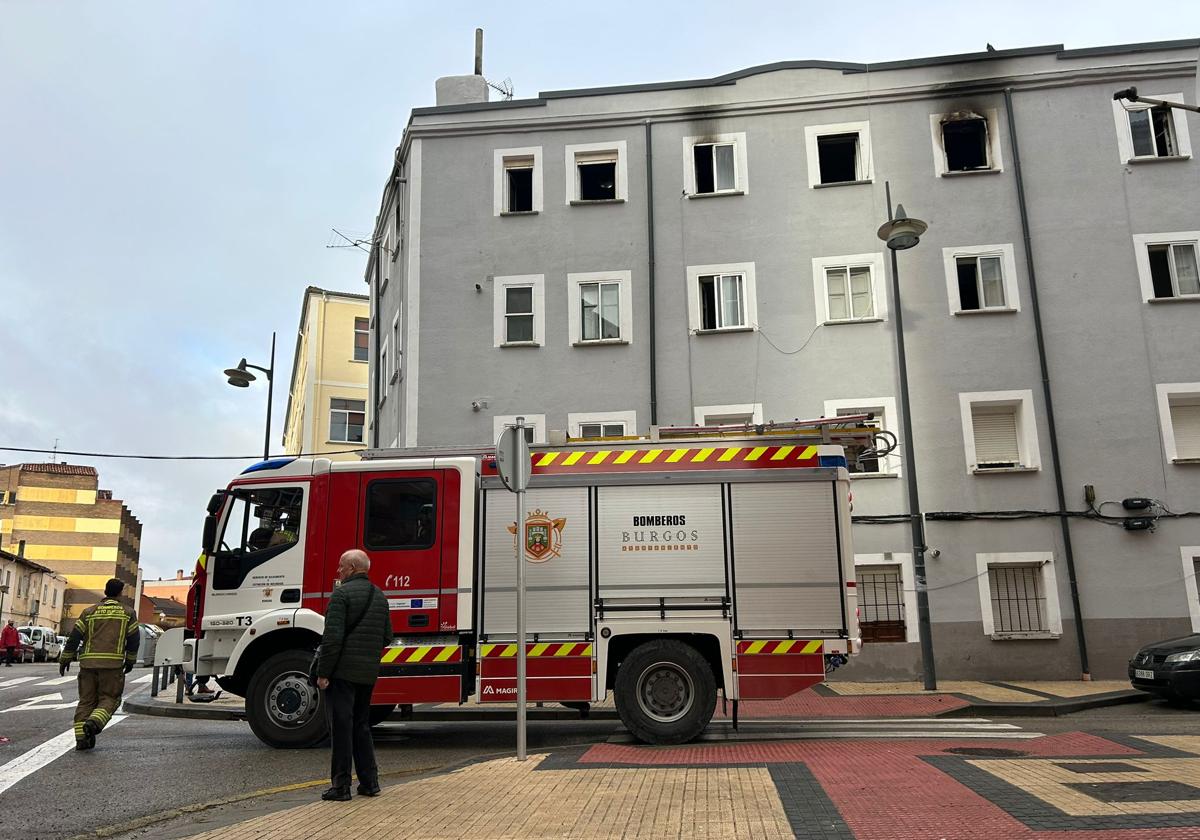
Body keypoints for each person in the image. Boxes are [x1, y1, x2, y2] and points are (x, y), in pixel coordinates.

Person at [315, 549, 392, 801]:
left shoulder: (341, 595)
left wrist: (323, 672)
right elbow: (387, 636)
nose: (338, 571)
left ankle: (341, 786)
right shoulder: (379, 596)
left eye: (340, 566)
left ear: (351, 567)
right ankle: (370, 783)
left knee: (341, 728)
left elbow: (332, 638)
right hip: (367, 673)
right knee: (361, 726)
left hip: (342, 673)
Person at [58, 578, 139, 750]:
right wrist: (130, 660)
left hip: (87, 664)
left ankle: (81, 739)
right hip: (112, 665)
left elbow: (74, 637)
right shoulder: (128, 613)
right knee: (109, 699)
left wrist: (65, 657)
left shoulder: (89, 612)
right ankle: (94, 724)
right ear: (120, 593)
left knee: (86, 701)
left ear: (105, 591)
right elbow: (133, 639)